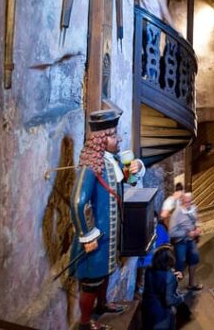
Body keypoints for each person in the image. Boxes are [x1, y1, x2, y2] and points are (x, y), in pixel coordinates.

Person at [69, 108, 146, 330]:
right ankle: (85, 322)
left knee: (104, 273)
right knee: (91, 282)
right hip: (97, 237)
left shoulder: (110, 160)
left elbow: (129, 179)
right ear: (102, 140)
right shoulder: (90, 167)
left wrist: (137, 166)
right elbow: (78, 202)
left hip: (110, 236)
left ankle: (102, 305)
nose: (118, 138)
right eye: (113, 135)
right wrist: (87, 235)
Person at [142, 245, 186, 330]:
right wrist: (181, 298)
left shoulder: (149, 270)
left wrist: (174, 278)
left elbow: (157, 284)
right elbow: (169, 301)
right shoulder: (169, 276)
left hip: (147, 310)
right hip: (161, 315)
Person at [168, 191, 203, 291]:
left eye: (190, 202)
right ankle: (174, 289)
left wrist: (198, 228)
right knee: (180, 263)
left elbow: (197, 220)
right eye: (186, 202)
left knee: (194, 259)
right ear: (181, 201)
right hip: (181, 242)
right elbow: (171, 232)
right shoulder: (176, 214)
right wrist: (186, 233)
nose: (188, 204)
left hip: (191, 241)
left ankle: (191, 284)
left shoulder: (193, 209)